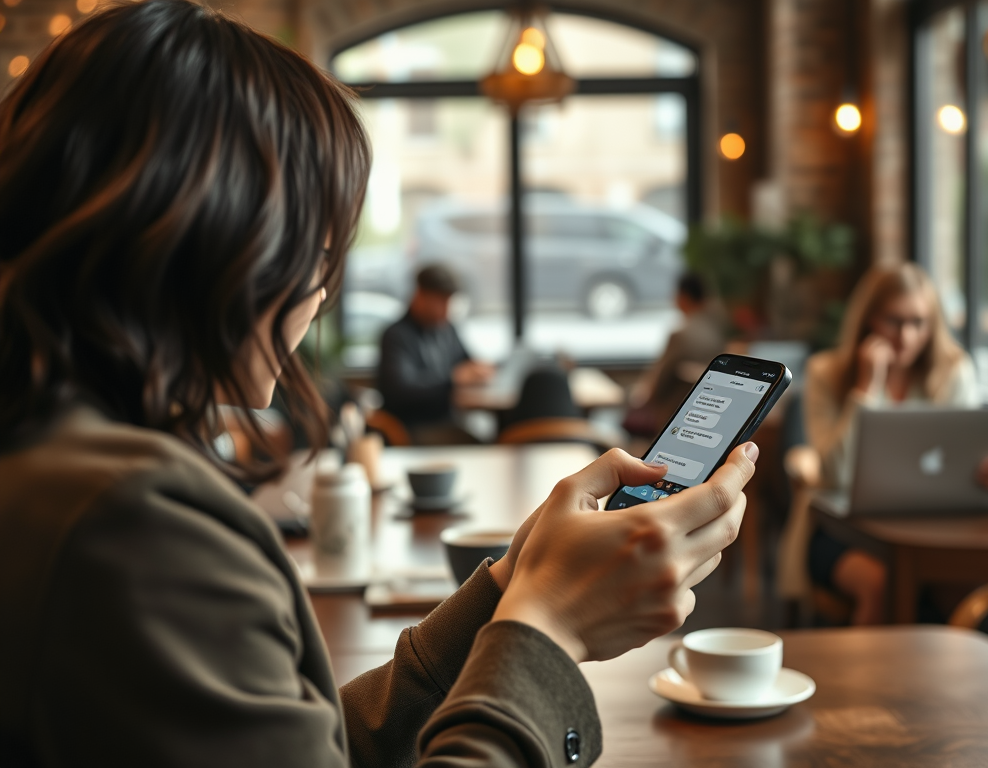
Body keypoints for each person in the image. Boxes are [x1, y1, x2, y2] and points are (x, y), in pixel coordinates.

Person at [0, 3, 757, 766]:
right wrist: (549, 627)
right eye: (317, 246)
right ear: (216, 235)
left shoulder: (53, 465)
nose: (321, 289)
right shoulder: (130, 524)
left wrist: (511, 588)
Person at [802, 263, 988, 625]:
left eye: (918, 322)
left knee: (973, 590)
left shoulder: (953, 372)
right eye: (894, 320)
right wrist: (865, 388)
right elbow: (835, 472)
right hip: (844, 532)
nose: (905, 336)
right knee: (880, 583)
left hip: (936, 536)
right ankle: (874, 684)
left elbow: (961, 463)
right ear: (871, 318)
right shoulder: (826, 372)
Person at [376, 263, 494, 442]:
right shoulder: (396, 335)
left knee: (489, 435)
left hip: (448, 419)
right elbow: (401, 390)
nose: (447, 310)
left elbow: (467, 362)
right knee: (480, 442)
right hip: (414, 426)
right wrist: (453, 379)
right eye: (441, 301)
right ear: (420, 295)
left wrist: (479, 370)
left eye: (450, 302)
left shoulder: (446, 329)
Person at [625, 272, 726, 434]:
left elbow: (658, 381)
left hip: (671, 414)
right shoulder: (717, 333)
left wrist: (636, 398)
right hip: (703, 413)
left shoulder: (681, 335)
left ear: (682, 297)